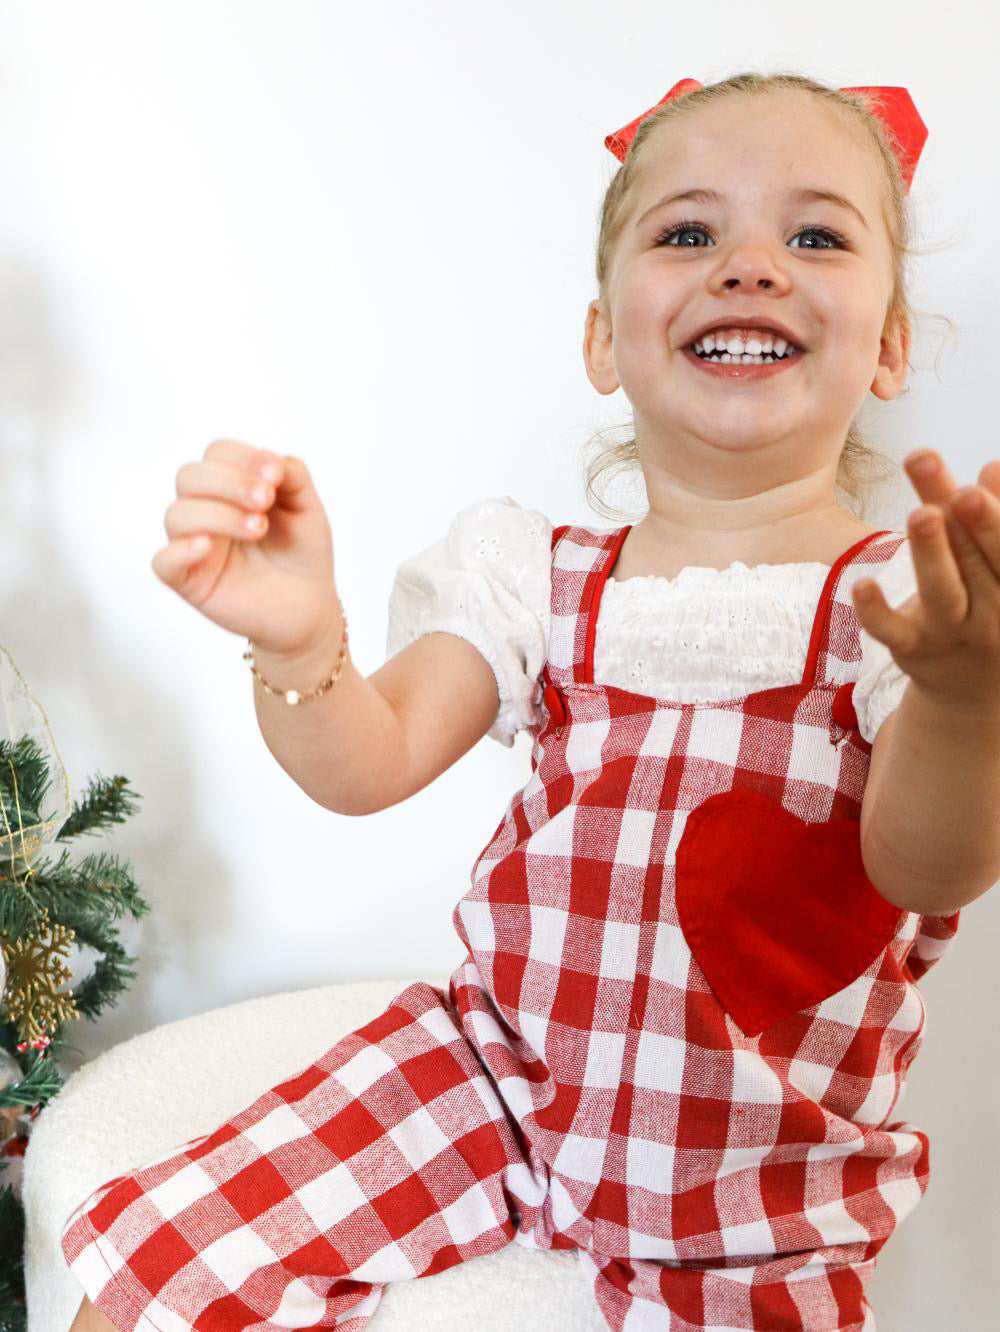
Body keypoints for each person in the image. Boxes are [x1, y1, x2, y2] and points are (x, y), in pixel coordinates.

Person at [61, 70, 1000, 1332]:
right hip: (494, 1080)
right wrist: (300, 642)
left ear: (888, 345)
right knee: (170, 1266)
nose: (751, 266)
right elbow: (364, 764)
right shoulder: (535, 577)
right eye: (687, 232)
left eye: (815, 235)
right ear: (602, 338)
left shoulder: (906, 606)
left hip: (755, 1176)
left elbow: (921, 863)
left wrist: (962, 697)